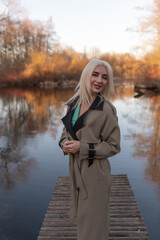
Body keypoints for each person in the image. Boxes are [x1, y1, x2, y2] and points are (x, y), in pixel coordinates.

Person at [59, 59, 121, 240]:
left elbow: (114, 146)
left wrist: (82, 147)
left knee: (93, 225)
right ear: (86, 75)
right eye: (95, 74)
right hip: (75, 170)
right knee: (83, 219)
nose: (99, 80)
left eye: (104, 77)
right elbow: (66, 131)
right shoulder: (74, 103)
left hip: (95, 174)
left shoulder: (107, 110)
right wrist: (64, 143)